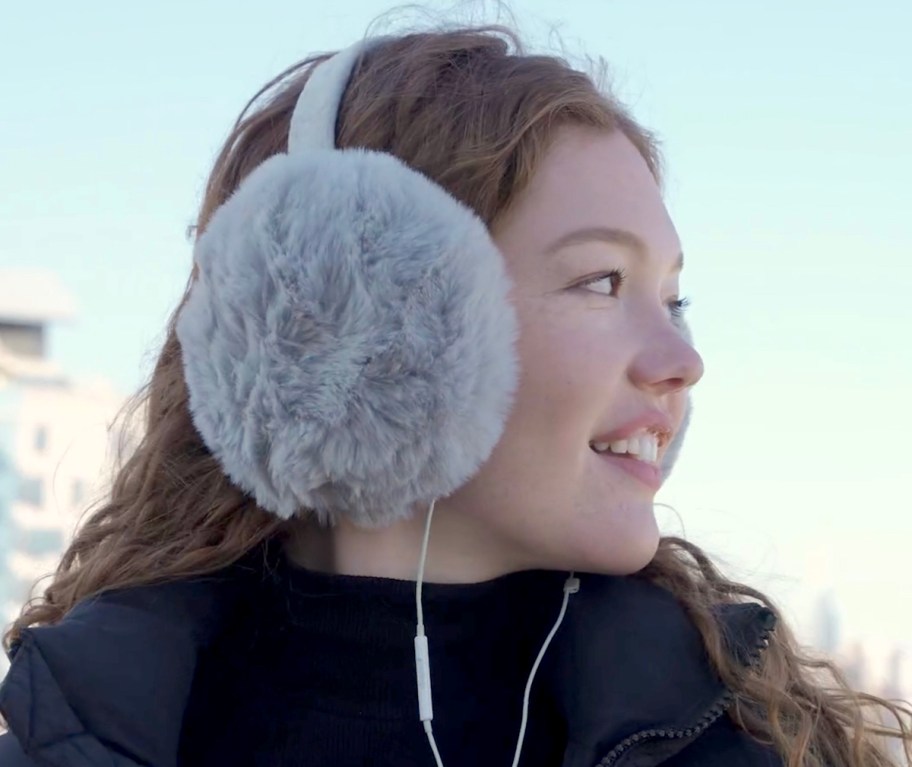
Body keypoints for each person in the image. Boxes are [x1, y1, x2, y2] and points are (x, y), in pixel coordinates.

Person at [1, 23, 909, 767]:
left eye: (673, 298)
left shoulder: (761, 744)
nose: (684, 358)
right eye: (601, 282)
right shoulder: (84, 735)